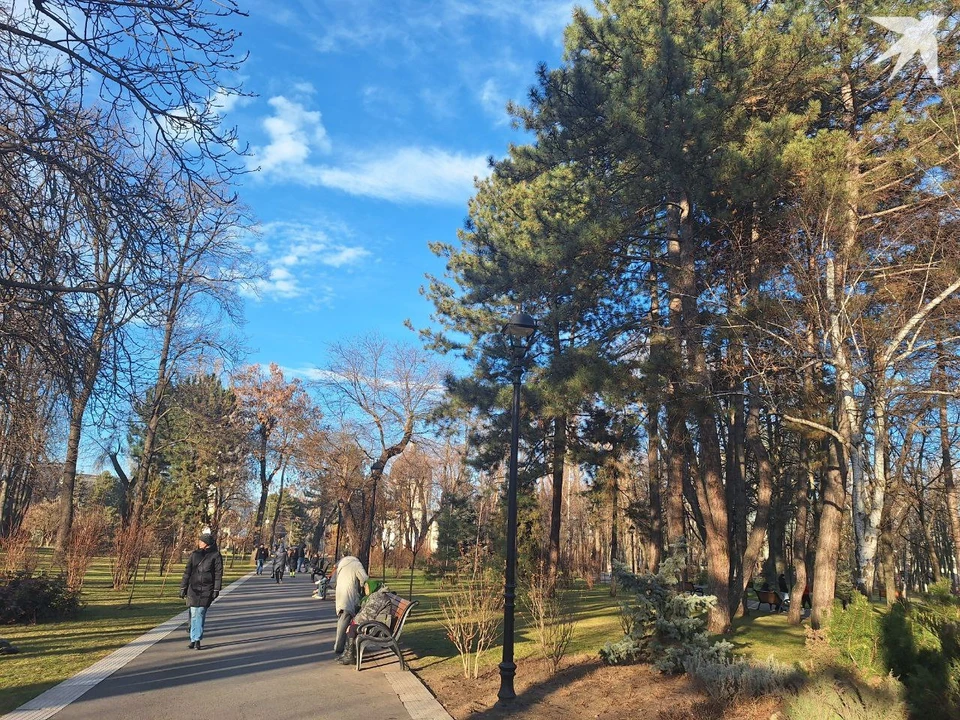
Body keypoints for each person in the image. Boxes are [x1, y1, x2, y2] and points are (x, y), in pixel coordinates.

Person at [179, 530, 224, 651]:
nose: (199, 543)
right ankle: (193, 639)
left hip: (207, 589)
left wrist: (216, 589)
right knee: (193, 613)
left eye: (201, 541)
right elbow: (187, 571)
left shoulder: (216, 555)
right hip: (193, 588)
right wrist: (183, 587)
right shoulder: (195, 554)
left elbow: (218, 574)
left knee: (200, 613)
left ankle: (197, 638)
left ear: (207, 543)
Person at [337, 579, 392, 665]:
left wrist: (353, 624)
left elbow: (367, 615)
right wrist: (353, 622)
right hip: (375, 624)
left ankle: (350, 655)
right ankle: (348, 653)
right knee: (351, 626)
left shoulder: (378, 598)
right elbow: (364, 613)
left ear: (372, 587)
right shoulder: (375, 596)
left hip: (379, 629)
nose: (365, 589)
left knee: (352, 628)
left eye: (366, 587)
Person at [330, 555, 368, 658]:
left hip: (340, 593)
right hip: (349, 593)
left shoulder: (341, 564)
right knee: (345, 617)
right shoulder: (356, 564)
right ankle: (339, 646)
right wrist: (361, 587)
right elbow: (364, 579)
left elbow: (332, 582)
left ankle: (347, 644)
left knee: (343, 616)